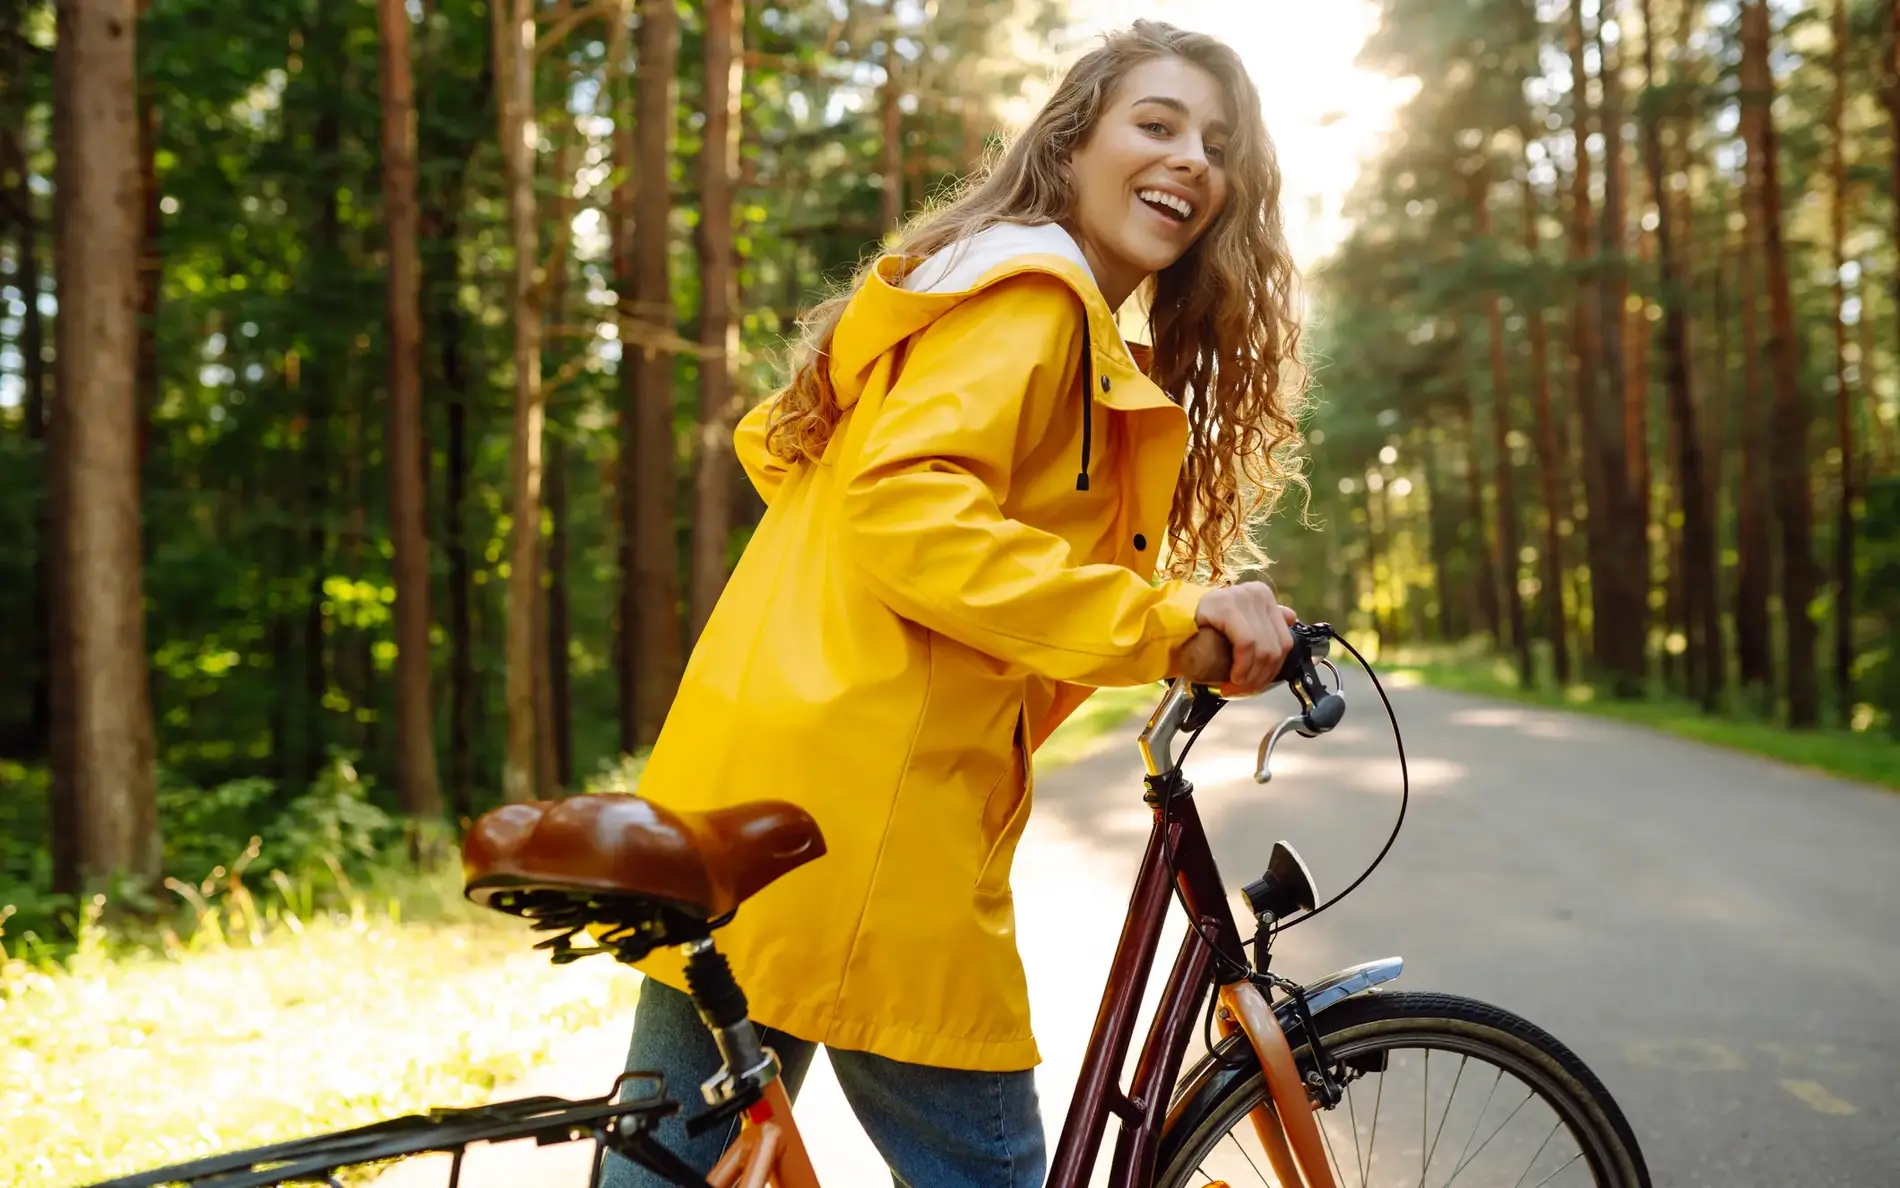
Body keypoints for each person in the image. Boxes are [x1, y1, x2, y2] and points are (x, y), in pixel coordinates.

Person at [603, 19, 1307, 1188]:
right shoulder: (1031, 302)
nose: (1190, 157)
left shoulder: (993, 299)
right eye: (1156, 123)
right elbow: (912, 521)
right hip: (869, 818)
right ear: (1074, 142)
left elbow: (879, 508)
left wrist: (1166, 608)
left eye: (1216, 144)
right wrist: (1170, 624)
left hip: (763, 774)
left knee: (669, 1167)